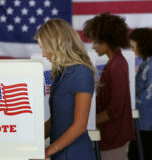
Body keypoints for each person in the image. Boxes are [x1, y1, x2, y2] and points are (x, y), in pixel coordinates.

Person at [36, 18, 96, 160]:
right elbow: (55, 120)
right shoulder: (62, 73)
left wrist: (48, 151)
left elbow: (79, 126)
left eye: (46, 48)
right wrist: (31, 141)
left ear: (58, 45)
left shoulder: (81, 73)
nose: (44, 54)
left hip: (75, 153)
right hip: (59, 151)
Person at [83, 13, 135, 160]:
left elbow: (115, 109)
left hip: (114, 135)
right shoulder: (114, 62)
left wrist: (87, 122)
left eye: (96, 42)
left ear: (108, 40)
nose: (93, 46)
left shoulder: (117, 65)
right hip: (111, 134)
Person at [127, 28, 152, 160]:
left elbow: (150, 94)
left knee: (140, 153)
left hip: (147, 118)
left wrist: (131, 102)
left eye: (133, 46)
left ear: (143, 45)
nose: (132, 50)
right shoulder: (146, 63)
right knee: (136, 152)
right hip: (142, 117)